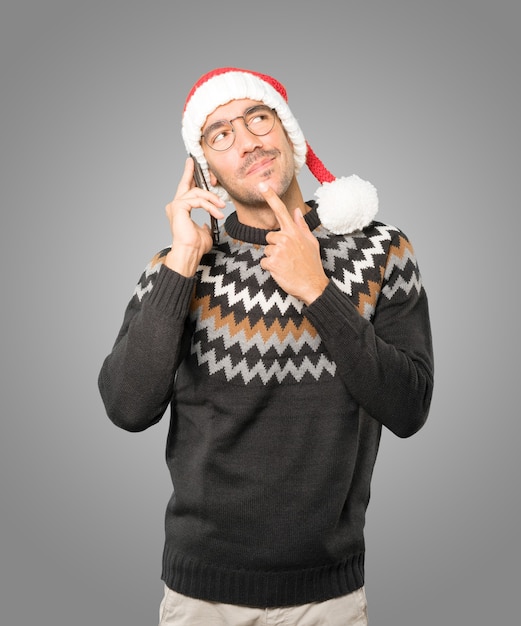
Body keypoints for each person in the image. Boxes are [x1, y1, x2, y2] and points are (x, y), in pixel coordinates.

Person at [98, 67, 434, 625]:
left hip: (328, 596)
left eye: (258, 117)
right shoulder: (176, 268)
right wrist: (183, 260)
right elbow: (127, 408)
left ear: (289, 134)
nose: (248, 140)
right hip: (200, 596)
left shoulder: (382, 251)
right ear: (205, 169)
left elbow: (409, 408)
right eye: (220, 134)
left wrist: (317, 290)